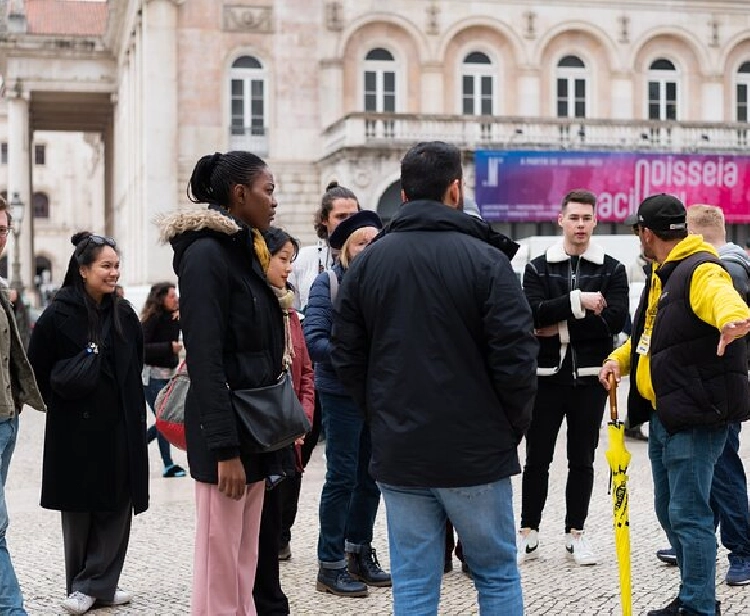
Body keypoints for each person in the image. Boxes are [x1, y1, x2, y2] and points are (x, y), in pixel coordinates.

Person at [331, 141, 538, 615]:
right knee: (496, 574)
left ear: (402, 196)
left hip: (403, 448)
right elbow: (517, 357)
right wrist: (508, 427)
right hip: (476, 449)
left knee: (415, 583)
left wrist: (379, 414)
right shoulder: (487, 261)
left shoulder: (368, 264)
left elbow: (347, 355)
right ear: (455, 190)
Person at [600, 194, 750, 616]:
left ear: (647, 233)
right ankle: (692, 595)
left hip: (696, 415)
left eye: (637, 231)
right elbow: (648, 341)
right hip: (667, 413)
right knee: (670, 511)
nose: (637, 238)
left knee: (689, 513)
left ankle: (700, 606)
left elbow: (724, 298)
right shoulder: (661, 275)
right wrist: (618, 360)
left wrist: (731, 321)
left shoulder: (699, 269)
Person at [159, 151, 285, 616]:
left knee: (244, 556)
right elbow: (205, 360)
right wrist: (225, 449)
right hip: (227, 436)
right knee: (219, 560)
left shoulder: (244, 250)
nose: (274, 201)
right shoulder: (207, 256)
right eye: (267, 190)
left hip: (255, 427)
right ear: (239, 193)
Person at [28, 232, 149, 615]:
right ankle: (84, 585)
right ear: (83, 270)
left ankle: (99, 582)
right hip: (75, 428)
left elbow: (135, 366)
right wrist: (63, 403)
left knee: (117, 505)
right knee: (79, 511)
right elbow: (37, 369)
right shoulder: (56, 315)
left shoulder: (125, 314)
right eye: (105, 266)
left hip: (119, 425)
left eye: (116, 266)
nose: (114, 273)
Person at [518, 189, 629, 566]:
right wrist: (579, 302)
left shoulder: (612, 267)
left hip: (590, 377)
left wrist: (559, 324)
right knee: (537, 458)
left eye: (587, 218)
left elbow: (615, 321)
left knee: (581, 459)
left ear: (595, 221)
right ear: (560, 220)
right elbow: (530, 314)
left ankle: (575, 534)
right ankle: (528, 531)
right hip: (546, 376)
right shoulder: (538, 266)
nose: (580, 225)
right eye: (574, 218)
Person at [649, 204, 750, 585]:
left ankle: (741, 548)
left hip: (711, 395)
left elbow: (725, 304)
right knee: (709, 479)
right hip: (706, 391)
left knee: (723, 473)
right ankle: (700, 544)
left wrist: (730, 320)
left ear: (694, 232)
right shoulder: (698, 267)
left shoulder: (718, 267)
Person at [304, 208, 390, 598]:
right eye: (361, 242)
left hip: (377, 395)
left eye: (375, 242)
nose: (369, 248)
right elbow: (315, 340)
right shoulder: (328, 284)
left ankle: (360, 552)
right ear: (346, 249)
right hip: (341, 394)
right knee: (341, 477)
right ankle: (330, 563)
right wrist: (356, 357)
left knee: (371, 476)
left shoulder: (389, 285)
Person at [252, 227, 315, 615]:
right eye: (283, 259)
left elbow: (306, 372)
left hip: (289, 430)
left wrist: (302, 419)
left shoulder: (291, 311)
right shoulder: (258, 307)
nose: (289, 268)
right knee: (258, 522)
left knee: (276, 518)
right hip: (263, 431)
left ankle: (269, 592)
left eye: (292, 260)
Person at [289, 182, 360, 473]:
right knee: (299, 455)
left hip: (346, 374)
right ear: (324, 220)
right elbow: (289, 308)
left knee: (350, 463)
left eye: (353, 216)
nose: (348, 223)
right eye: (341, 217)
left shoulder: (367, 253)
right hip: (312, 367)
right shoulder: (306, 259)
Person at [0, 196, 45, 616]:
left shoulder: (0, 289)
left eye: (2, 230)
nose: (0, 238)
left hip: (6, 420)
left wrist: (17, 401)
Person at [141, 282, 186, 478]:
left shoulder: (174, 317)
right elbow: (142, 349)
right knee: (163, 419)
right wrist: (169, 347)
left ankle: (134, 446)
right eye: (171, 296)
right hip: (151, 377)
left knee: (163, 420)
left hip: (169, 376)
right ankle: (168, 464)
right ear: (161, 299)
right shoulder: (153, 319)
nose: (175, 299)